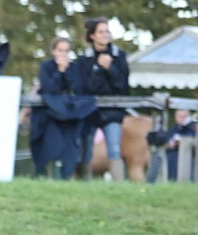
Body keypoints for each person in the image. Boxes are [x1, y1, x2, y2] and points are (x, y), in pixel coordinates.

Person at [75, 17, 129, 181]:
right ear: (92, 35)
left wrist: (110, 68)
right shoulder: (83, 60)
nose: (105, 35)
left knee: (114, 149)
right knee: (86, 149)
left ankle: (118, 186)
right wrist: (99, 69)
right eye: (101, 31)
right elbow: (86, 88)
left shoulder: (119, 56)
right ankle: (84, 185)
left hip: (113, 111)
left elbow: (122, 86)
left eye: (107, 31)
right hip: (90, 112)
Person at [30, 37, 91, 179]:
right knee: (50, 146)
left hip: (70, 115)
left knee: (70, 148)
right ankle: (44, 174)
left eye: (66, 51)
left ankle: (66, 176)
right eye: (60, 50)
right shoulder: (46, 67)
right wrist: (59, 71)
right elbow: (49, 88)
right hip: (50, 113)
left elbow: (77, 88)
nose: (63, 54)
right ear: (53, 51)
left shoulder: (74, 68)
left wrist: (66, 72)